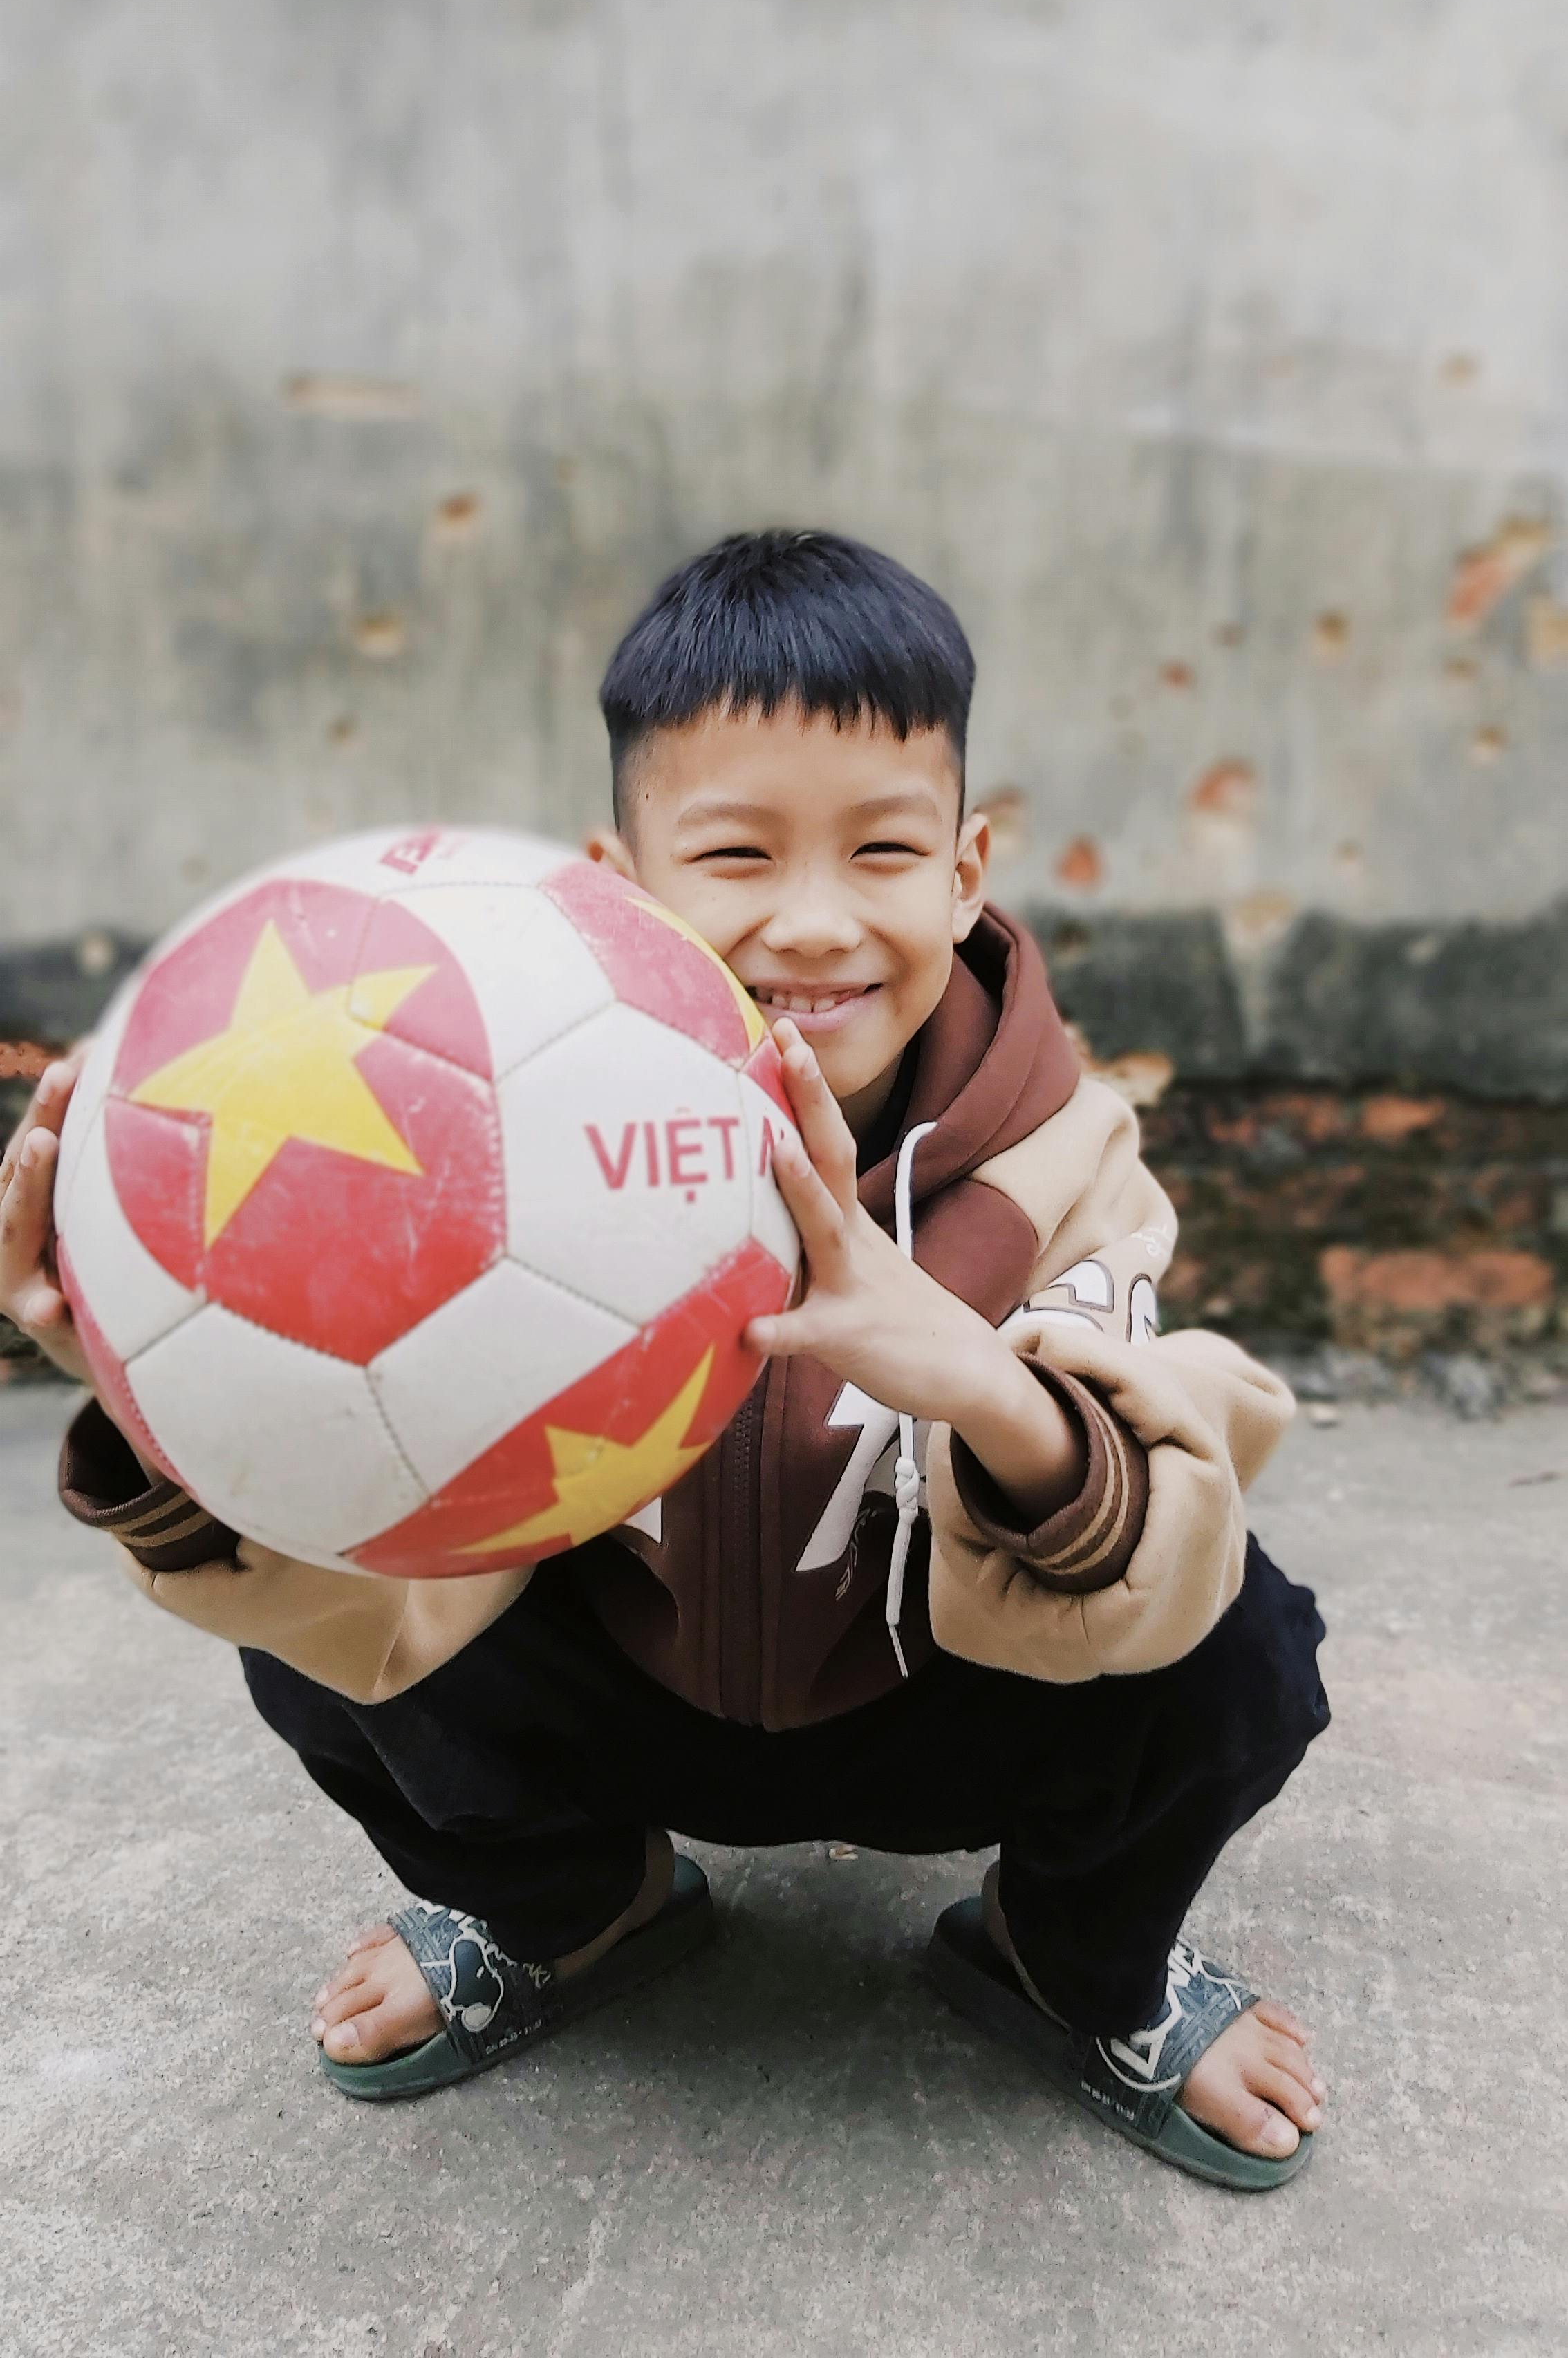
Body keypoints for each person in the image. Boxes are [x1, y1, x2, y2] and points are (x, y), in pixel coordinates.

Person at [1, 529, 1329, 2189]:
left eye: (885, 852)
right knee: (302, 1643)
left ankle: (1071, 1957)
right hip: (622, 1686)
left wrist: (976, 1376)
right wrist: (169, 1400)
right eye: (740, 854)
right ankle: (578, 1912)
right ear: (613, 884)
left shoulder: (1060, 1159)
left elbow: (1166, 1552)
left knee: (1244, 1648)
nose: (817, 921)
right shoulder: (483, 1150)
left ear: (970, 871)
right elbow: (376, 1565)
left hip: (933, 1697)